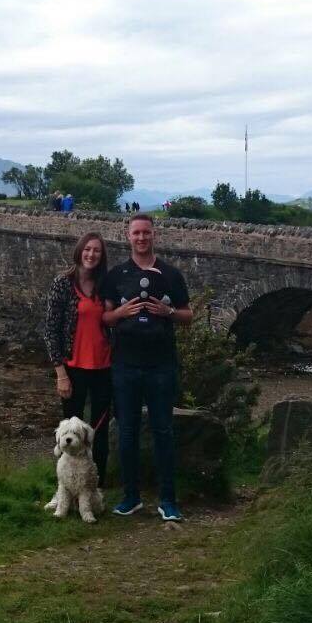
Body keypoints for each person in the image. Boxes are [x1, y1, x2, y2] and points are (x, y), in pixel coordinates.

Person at [102, 214, 193, 521]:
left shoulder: (171, 274)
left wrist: (168, 311)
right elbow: (105, 318)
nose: (141, 238)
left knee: (163, 431)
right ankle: (131, 497)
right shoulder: (115, 276)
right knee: (127, 432)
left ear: (155, 235)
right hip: (125, 364)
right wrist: (122, 313)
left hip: (161, 365)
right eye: (136, 233)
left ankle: (168, 500)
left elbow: (188, 315)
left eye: (146, 233)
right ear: (128, 236)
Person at [43, 231, 113, 487]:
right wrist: (60, 374)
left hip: (104, 368)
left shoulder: (106, 285)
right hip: (73, 369)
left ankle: (96, 486)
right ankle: (65, 487)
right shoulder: (62, 284)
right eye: (87, 249)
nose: (91, 255)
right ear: (79, 251)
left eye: (96, 251)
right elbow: (51, 330)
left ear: (102, 256)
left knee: (100, 430)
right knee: (69, 434)